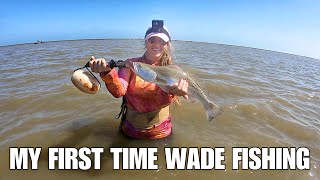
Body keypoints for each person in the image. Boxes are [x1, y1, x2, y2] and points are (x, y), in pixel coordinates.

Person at [89, 20, 188, 139]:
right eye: (152, 40)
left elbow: (162, 102)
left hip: (161, 133)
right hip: (130, 130)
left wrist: (173, 93)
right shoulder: (131, 64)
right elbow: (118, 92)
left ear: (167, 45)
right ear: (145, 42)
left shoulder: (174, 70)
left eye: (162, 41)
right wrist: (107, 73)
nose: (157, 45)